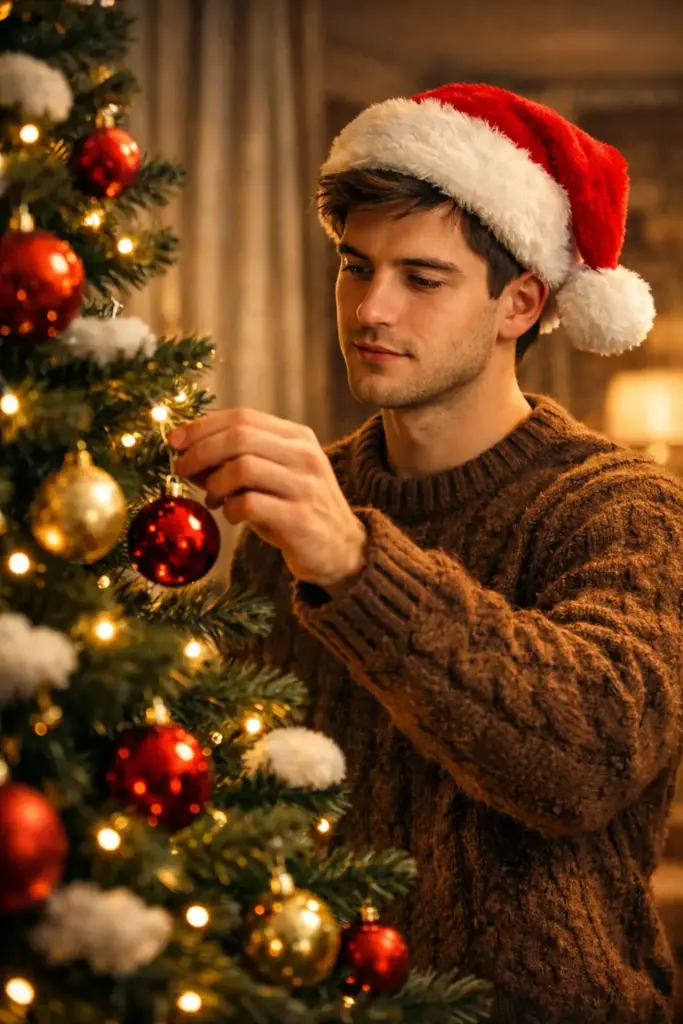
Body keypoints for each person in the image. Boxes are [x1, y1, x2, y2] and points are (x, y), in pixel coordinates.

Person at [169, 83, 683, 1022]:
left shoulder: (624, 506)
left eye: (422, 278)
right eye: (355, 266)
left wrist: (354, 566)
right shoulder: (301, 506)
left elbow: (589, 758)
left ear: (518, 303)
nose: (371, 308)